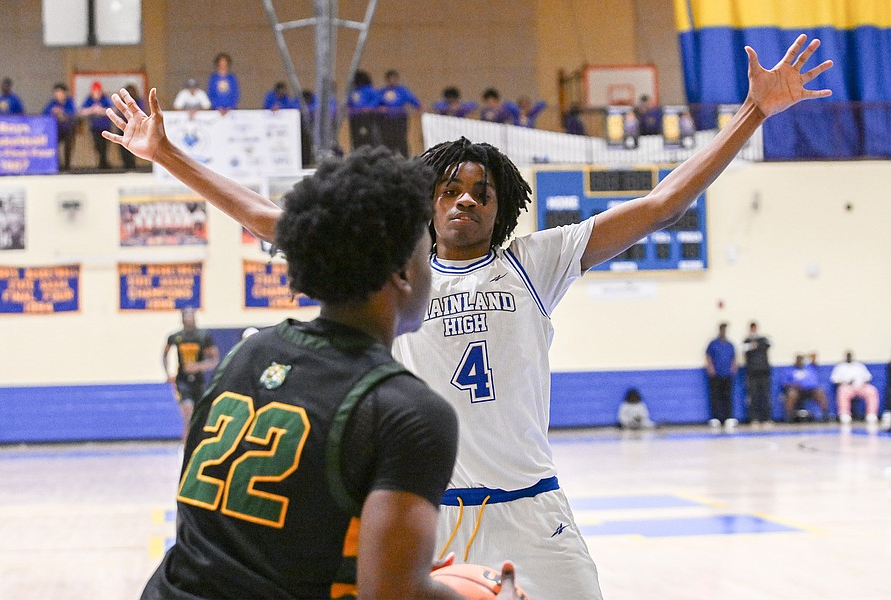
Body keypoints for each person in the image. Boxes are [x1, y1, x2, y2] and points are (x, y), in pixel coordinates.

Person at [103, 34, 833, 600]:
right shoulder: (391, 267)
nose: (465, 201)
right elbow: (272, 217)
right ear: (425, 202)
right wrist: (165, 153)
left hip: (531, 510)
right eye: (450, 189)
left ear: (501, 206)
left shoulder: (536, 261)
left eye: (482, 192)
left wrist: (751, 115)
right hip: (424, 510)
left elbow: (661, 203)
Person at [142, 146, 519, 599]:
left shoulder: (247, 355)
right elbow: (392, 595)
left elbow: (228, 534)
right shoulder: (409, 412)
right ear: (403, 272)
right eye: (426, 254)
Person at [163, 307, 219, 444]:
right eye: (186, 316)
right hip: (182, 380)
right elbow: (165, 354)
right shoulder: (176, 337)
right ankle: (186, 444)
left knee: (201, 414)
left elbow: (214, 359)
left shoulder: (203, 336)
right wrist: (168, 373)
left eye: (191, 316)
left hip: (199, 381)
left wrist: (199, 366)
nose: (188, 319)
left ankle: (199, 442)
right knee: (187, 412)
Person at [378, 69, 421, 157]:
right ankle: (389, 157)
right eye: (391, 78)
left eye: (394, 78)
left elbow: (413, 100)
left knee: (401, 139)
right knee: (388, 140)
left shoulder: (403, 91)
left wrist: (418, 107)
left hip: (400, 119)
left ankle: (405, 158)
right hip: (387, 120)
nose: (393, 80)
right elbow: (377, 103)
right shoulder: (382, 92)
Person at [830, 351, 880, 424]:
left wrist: (862, 383)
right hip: (847, 387)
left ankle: (871, 414)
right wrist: (846, 382)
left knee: (872, 390)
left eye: (850, 355)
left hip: (861, 386)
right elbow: (835, 380)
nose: (849, 357)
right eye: (848, 355)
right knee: (842, 391)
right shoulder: (840, 366)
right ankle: (845, 414)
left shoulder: (859, 365)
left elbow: (868, 377)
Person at [706, 322, 737, 429]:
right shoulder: (713, 344)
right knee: (715, 396)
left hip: (727, 374)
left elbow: (734, 357)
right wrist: (710, 367)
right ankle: (716, 418)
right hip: (716, 375)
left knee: (727, 396)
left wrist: (733, 367)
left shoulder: (730, 345)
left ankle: (728, 418)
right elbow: (708, 356)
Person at [781, 354, 830, 422]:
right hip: (797, 390)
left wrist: (806, 356)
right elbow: (784, 383)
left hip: (810, 390)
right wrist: (794, 384)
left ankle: (825, 415)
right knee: (792, 394)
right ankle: (789, 417)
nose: (799, 362)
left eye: (801, 360)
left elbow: (813, 355)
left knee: (820, 392)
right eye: (798, 360)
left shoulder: (809, 368)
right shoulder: (789, 370)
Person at [742, 321, 773, 426]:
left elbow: (769, 344)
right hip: (752, 373)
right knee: (753, 396)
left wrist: (756, 345)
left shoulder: (763, 339)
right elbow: (745, 349)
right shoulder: (746, 341)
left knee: (765, 395)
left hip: (764, 372)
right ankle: (754, 418)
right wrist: (752, 346)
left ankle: (766, 418)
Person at [42, 83, 77, 171]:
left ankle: (67, 166)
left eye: (60, 92)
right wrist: (52, 111)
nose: (58, 95)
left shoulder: (69, 102)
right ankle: (57, 165)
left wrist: (62, 112)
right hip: (56, 130)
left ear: (65, 93)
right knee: (53, 145)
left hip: (68, 129)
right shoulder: (53, 103)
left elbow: (72, 112)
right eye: (56, 92)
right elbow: (44, 112)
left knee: (68, 146)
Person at [80, 81, 113, 169]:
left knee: (104, 146)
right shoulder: (89, 100)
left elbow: (111, 110)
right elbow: (82, 111)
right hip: (94, 127)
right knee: (97, 145)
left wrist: (101, 110)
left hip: (105, 127)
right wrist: (92, 110)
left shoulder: (105, 99)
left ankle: (104, 162)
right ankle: (102, 162)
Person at [347, 69, 381, 149]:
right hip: (354, 117)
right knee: (355, 135)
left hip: (366, 116)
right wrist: (349, 108)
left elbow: (377, 99)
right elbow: (350, 102)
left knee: (366, 134)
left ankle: (368, 150)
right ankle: (356, 149)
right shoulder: (353, 91)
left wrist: (369, 107)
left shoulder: (369, 89)